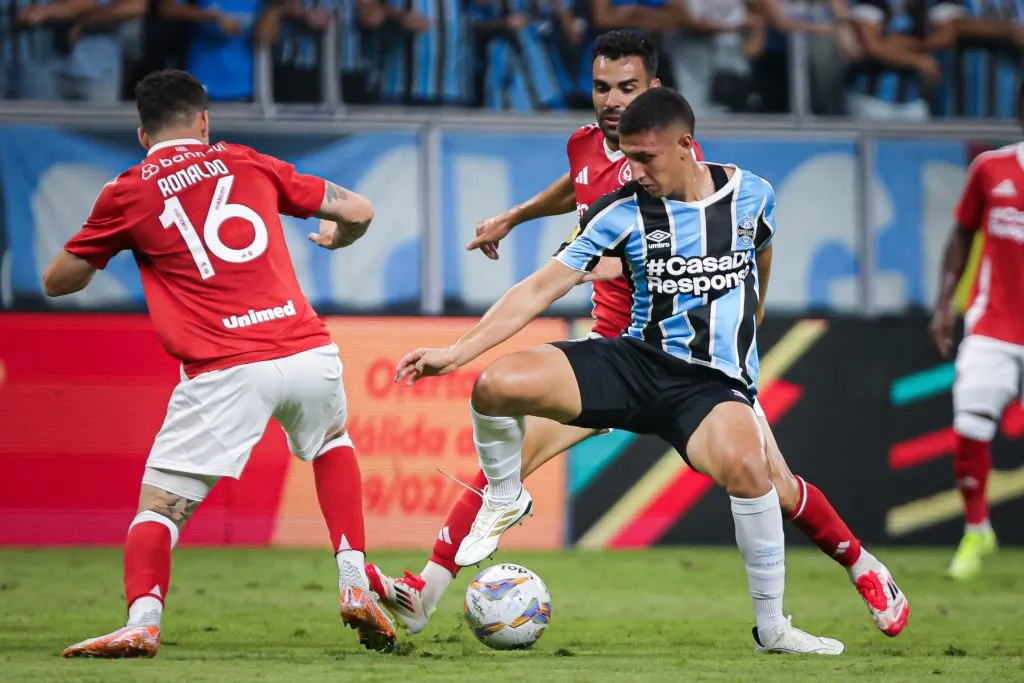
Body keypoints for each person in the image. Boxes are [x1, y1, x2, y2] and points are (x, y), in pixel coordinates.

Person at [367, 31, 907, 643]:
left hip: (704, 369)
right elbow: (574, 201)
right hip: (620, 351)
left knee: (772, 485)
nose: (612, 100)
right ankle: (423, 595)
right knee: (504, 464)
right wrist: (518, 221)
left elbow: (742, 244)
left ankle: (862, 567)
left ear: (656, 93)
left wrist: (727, 319)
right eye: (602, 87)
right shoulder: (599, 160)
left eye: (627, 87)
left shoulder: (697, 175)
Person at [48, 69, 395, 658]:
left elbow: (58, 281)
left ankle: (143, 621)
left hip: (225, 370)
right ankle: (353, 580)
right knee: (331, 443)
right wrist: (341, 238)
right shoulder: (246, 160)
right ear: (204, 121)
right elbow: (358, 209)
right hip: (307, 350)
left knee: (159, 508)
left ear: (142, 134)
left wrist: (108, 244)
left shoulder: (126, 192)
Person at [930, 84, 1024, 580]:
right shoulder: (991, 168)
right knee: (970, 425)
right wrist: (944, 304)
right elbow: (962, 234)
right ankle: (976, 529)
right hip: (994, 324)